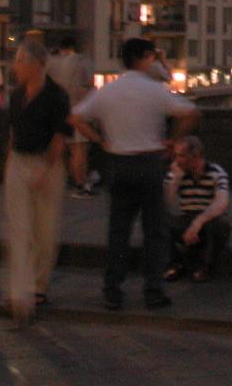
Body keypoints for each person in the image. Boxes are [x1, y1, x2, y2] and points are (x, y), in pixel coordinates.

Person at [71, 37, 197, 311]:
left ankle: (113, 290)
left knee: (119, 230)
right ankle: (153, 290)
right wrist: (172, 141)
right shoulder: (153, 90)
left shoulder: (109, 90)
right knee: (155, 230)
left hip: (118, 163)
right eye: (151, 56)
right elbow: (189, 112)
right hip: (150, 162)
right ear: (143, 58)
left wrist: (100, 140)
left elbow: (76, 118)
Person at [3, 38, 70, 323]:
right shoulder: (17, 96)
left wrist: (46, 169)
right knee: (19, 228)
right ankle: (21, 290)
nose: (15, 67)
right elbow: (14, 132)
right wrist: (10, 162)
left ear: (35, 64)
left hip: (46, 163)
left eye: (19, 61)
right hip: (19, 160)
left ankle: (39, 284)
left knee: (44, 229)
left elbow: (59, 135)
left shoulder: (57, 95)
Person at [163, 135, 230, 283]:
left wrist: (198, 223)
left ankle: (206, 267)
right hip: (187, 217)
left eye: (181, 156)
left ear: (196, 156)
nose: (177, 160)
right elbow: (164, 202)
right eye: (175, 156)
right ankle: (175, 263)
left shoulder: (216, 172)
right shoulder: (177, 172)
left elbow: (222, 203)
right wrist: (175, 180)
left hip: (207, 219)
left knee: (221, 224)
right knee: (159, 220)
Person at [46, 35, 96, 197]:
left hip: (56, 109)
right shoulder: (82, 61)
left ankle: (59, 182)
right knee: (78, 149)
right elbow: (89, 84)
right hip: (76, 108)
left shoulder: (51, 62)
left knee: (59, 148)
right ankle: (81, 184)